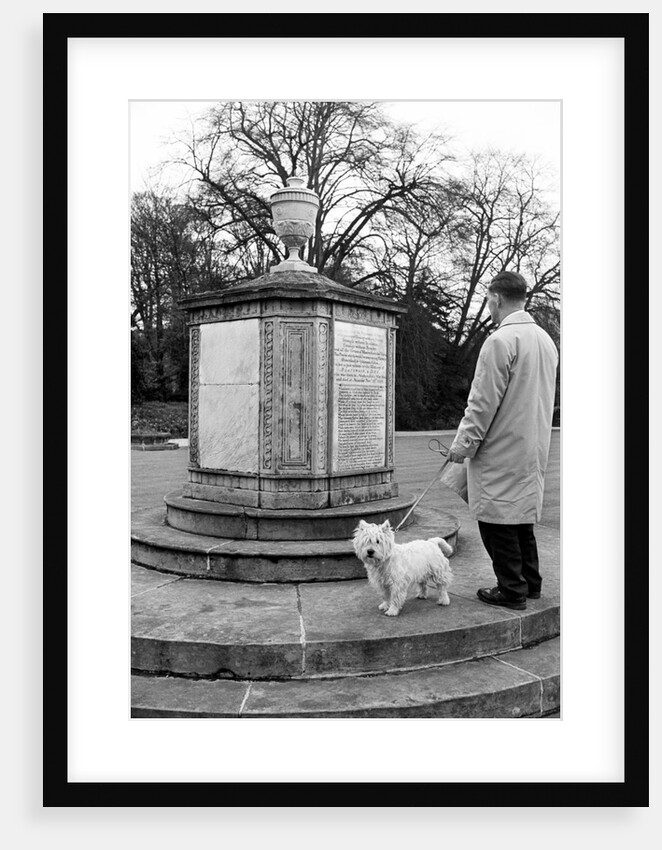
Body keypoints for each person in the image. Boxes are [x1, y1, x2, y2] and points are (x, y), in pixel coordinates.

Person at [447, 270, 559, 611]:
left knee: (496, 520)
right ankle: (530, 583)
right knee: (521, 516)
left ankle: (511, 589)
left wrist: (463, 445)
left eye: (489, 301)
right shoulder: (545, 340)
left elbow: (482, 403)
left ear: (496, 298)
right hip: (533, 445)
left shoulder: (500, 341)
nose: (489, 307)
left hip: (501, 447)